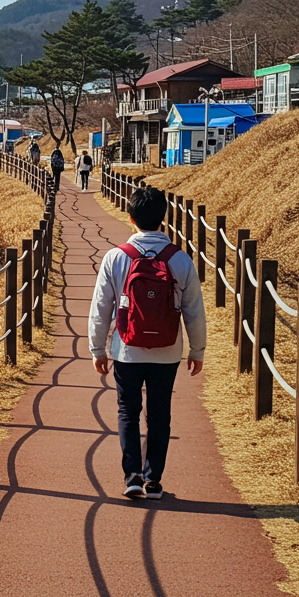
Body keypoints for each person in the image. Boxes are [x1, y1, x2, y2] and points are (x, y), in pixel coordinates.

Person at [87, 188, 206, 500]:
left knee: (128, 410)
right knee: (159, 413)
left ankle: (133, 477)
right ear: (163, 219)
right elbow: (194, 309)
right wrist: (197, 350)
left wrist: (97, 349)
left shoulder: (116, 257)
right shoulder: (180, 260)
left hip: (127, 349)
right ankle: (154, 479)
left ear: (130, 219)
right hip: (168, 351)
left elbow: (101, 308)